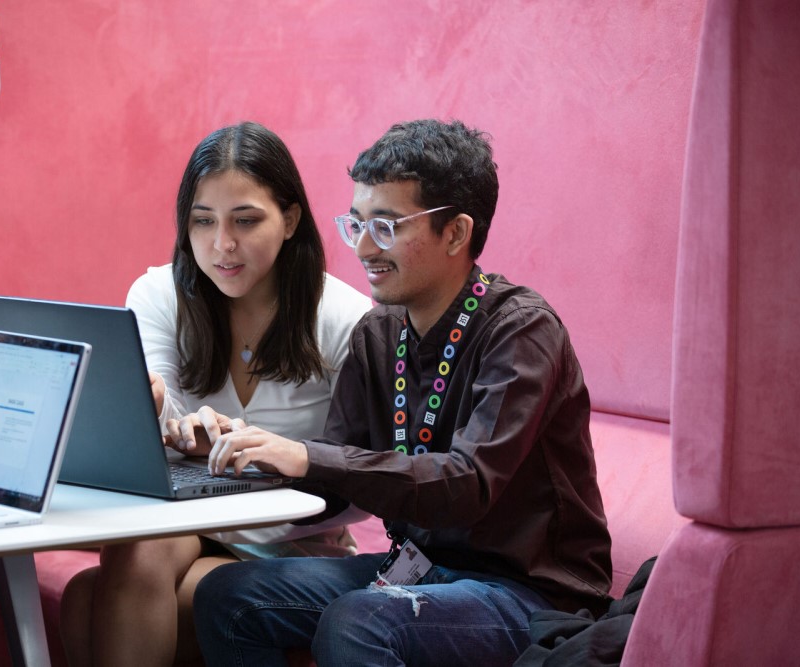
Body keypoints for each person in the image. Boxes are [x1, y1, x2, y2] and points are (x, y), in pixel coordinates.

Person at [182, 119, 613, 666]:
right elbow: (336, 489)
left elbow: (469, 484)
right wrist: (234, 460)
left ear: (455, 233)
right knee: (228, 595)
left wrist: (306, 454)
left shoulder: (522, 331)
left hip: (531, 595)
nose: (363, 247)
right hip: (421, 571)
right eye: (356, 223)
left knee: (360, 618)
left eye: (386, 226)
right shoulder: (379, 333)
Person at [59, 122, 372, 667]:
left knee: (88, 599)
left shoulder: (344, 319)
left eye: (245, 221)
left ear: (291, 219)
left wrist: (270, 459)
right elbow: (165, 424)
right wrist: (154, 412)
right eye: (203, 221)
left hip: (291, 543)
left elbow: (362, 480)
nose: (221, 245)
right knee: (120, 565)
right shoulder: (158, 294)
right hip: (186, 524)